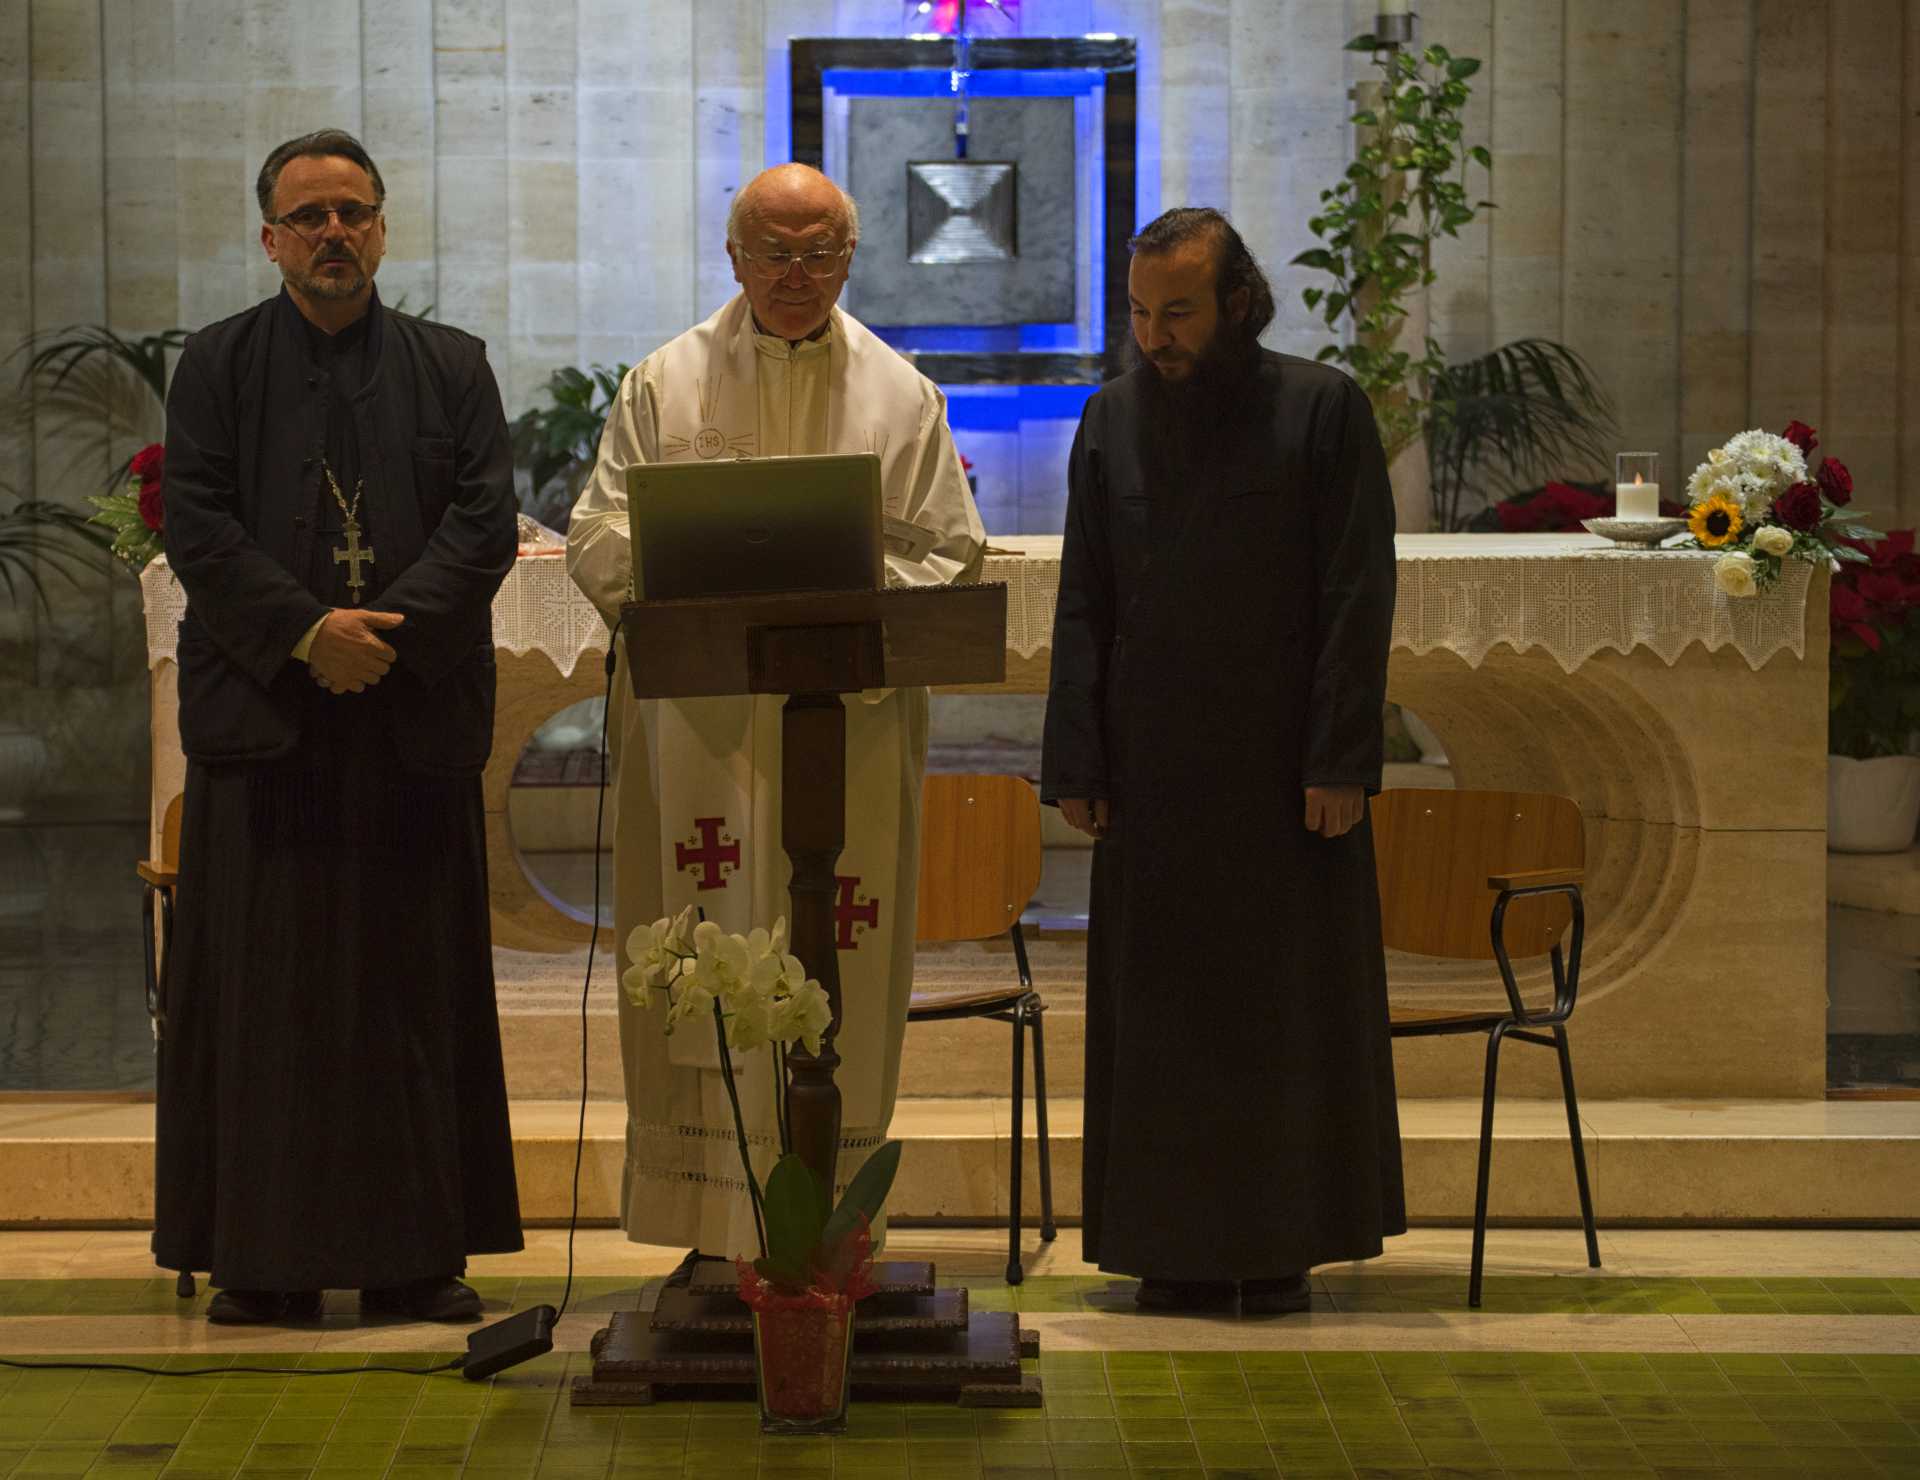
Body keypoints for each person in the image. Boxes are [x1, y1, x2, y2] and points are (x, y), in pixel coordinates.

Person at [567, 163, 984, 1260]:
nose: (797, 275)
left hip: (846, 718)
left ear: (850, 258)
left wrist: (845, 601)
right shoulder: (664, 383)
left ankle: (831, 1225)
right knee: (704, 942)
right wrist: (688, 584)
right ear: (733, 254)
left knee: (838, 943)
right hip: (702, 724)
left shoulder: (901, 393)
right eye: (774, 251)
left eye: (820, 253)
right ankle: (715, 1227)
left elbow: (949, 547)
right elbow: (599, 537)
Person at [156, 128, 523, 1324]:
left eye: (352, 213)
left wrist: (386, 637)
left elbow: (483, 523)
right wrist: (311, 633)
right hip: (270, 726)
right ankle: (263, 1263)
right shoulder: (214, 367)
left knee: (411, 996)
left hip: (404, 725)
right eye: (308, 215)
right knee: (266, 1004)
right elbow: (200, 527)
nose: (332, 234)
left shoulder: (452, 366)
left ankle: (417, 1258)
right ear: (269, 237)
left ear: (382, 228)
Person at [1040, 207, 1404, 1313]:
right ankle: (1166, 1246)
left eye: (1180, 312)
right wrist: (1078, 760)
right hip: (1155, 780)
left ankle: (1277, 1244)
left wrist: (1341, 757)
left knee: (1278, 1014)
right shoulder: (1108, 420)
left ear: (1239, 301)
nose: (1158, 335)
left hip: (1284, 779)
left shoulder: (1322, 409)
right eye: (1142, 313)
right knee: (1163, 1024)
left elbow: (1355, 597)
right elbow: (1084, 603)